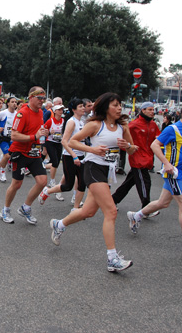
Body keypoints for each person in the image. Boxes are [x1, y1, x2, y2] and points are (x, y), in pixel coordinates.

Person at [49, 92, 135, 272]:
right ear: (105, 107)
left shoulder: (123, 126)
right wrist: (93, 149)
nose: (119, 108)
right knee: (111, 211)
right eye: (115, 105)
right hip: (93, 168)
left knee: (87, 212)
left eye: (120, 105)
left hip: (108, 171)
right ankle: (112, 258)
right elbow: (72, 141)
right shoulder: (96, 125)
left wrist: (127, 147)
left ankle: (59, 224)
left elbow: (133, 149)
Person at [126, 104, 182, 254]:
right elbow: (155, 145)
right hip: (173, 173)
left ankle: (136, 216)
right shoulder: (172, 129)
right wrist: (166, 163)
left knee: (163, 203)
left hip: (181, 173)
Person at [0, 86, 49, 225]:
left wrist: (42, 136)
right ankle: (5, 209)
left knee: (42, 181)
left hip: (34, 152)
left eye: (44, 99)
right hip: (20, 152)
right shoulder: (22, 113)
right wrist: (34, 136)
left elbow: (38, 131)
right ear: (31, 97)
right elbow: (14, 135)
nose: (42, 101)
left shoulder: (40, 112)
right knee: (16, 184)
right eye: (40, 98)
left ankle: (25, 207)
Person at [111, 102, 161, 213]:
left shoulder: (153, 125)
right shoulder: (134, 125)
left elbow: (159, 139)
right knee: (145, 182)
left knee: (129, 183)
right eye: (150, 109)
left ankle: (113, 200)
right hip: (137, 159)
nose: (152, 112)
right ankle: (146, 208)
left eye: (153, 110)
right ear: (143, 110)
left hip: (147, 158)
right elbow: (121, 135)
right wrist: (127, 148)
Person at [38, 99, 86, 207]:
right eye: (80, 106)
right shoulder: (71, 122)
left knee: (83, 183)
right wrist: (74, 156)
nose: (83, 108)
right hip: (70, 156)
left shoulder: (82, 122)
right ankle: (47, 191)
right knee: (68, 185)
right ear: (73, 109)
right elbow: (64, 141)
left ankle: (76, 207)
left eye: (83, 106)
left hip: (81, 156)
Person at [0, 97, 18, 182]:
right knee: (7, 155)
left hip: (12, 138)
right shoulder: (3, 113)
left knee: (6, 156)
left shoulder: (18, 114)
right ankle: (2, 172)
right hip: (3, 138)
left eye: (15, 102)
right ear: (8, 103)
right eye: (12, 102)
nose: (14, 103)